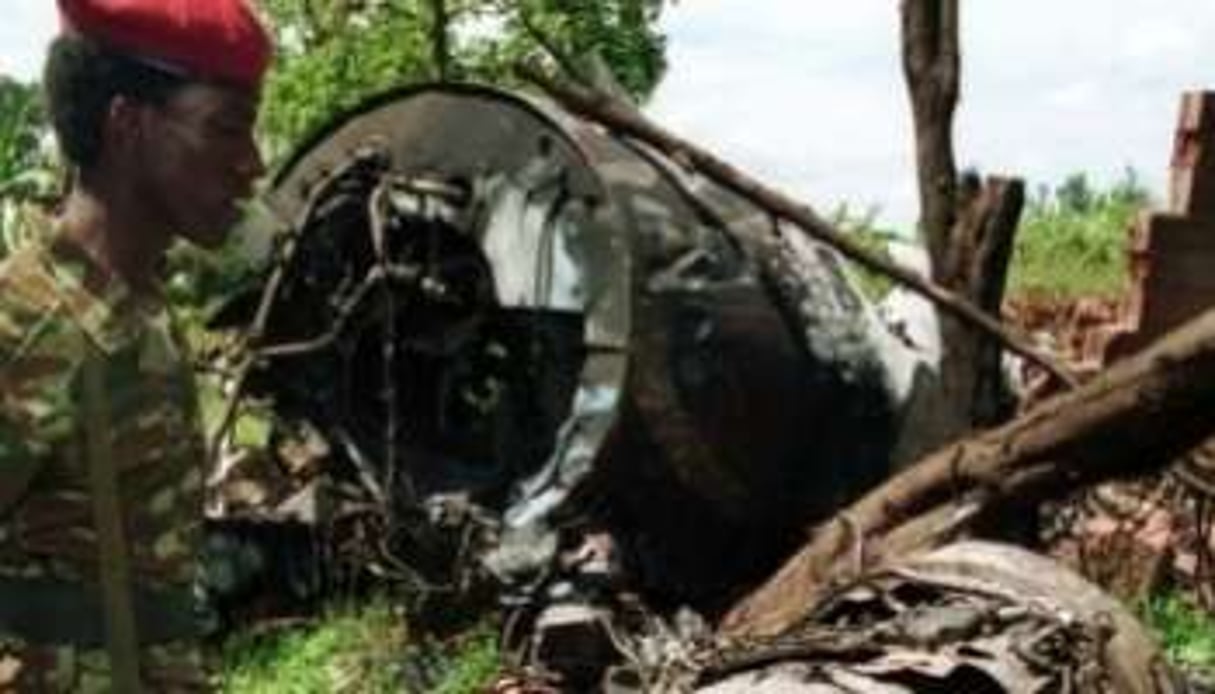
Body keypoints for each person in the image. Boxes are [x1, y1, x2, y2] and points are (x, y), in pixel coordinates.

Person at [0, 0, 271, 690]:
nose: (253, 164)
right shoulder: (27, 325)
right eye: (226, 129)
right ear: (129, 125)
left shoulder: (138, 309)